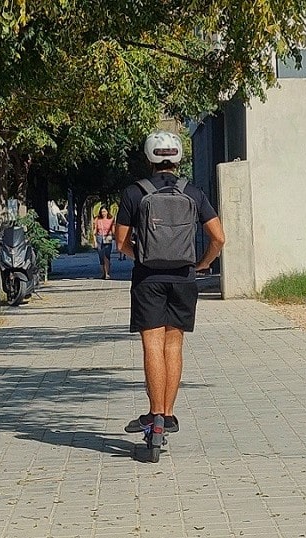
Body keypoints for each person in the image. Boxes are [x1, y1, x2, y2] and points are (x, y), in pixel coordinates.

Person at [115, 130, 226, 434]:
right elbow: (219, 237)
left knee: (152, 344)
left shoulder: (134, 192)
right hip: (184, 278)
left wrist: (138, 253)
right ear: (178, 157)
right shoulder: (193, 193)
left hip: (147, 278)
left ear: (149, 157)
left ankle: (154, 415)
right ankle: (169, 414)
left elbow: (120, 240)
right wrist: (202, 264)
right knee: (173, 345)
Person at [92, 206, 115, 279]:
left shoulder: (111, 219)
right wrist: (95, 241)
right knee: (101, 256)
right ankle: (103, 273)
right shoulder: (98, 219)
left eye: (104, 211)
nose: (103, 213)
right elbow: (94, 231)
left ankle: (107, 273)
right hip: (99, 238)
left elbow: (113, 230)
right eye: (102, 212)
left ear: (107, 212)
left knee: (107, 255)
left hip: (108, 237)